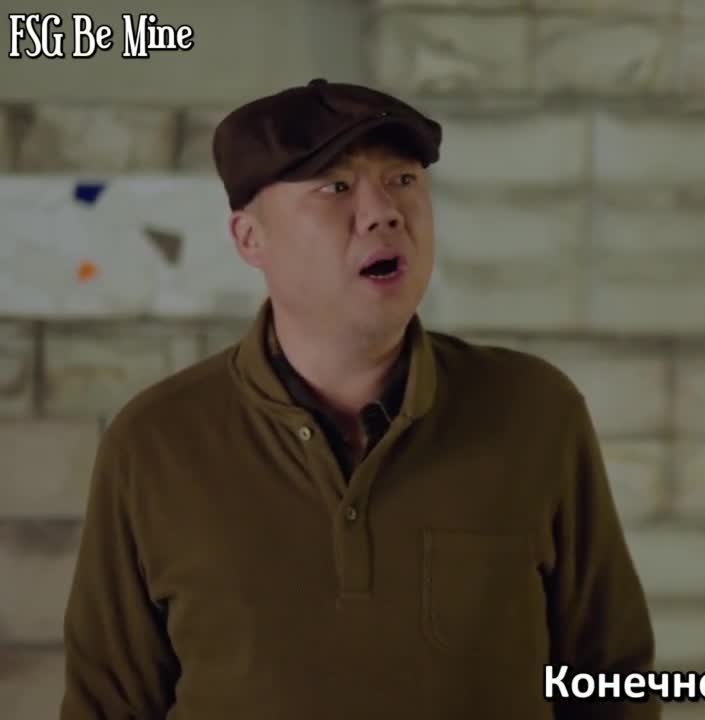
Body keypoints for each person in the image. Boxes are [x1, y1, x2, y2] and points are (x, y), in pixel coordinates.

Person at [60, 78, 657, 719]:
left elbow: (611, 678)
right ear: (250, 239)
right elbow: (107, 705)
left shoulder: (535, 413)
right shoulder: (155, 443)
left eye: (403, 180)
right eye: (336, 187)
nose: (384, 212)